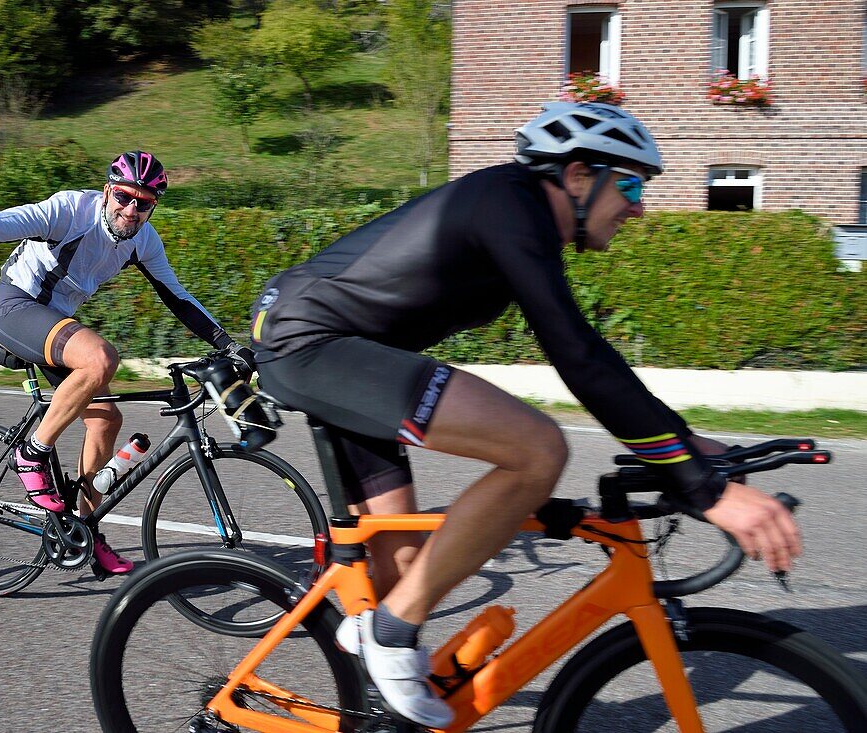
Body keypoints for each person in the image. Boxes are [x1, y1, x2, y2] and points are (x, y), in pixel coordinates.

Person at [248, 102, 800, 727]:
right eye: (632, 184)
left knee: (403, 569)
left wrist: (690, 446)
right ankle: (388, 637)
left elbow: (589, 353)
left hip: (335, 347)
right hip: (314, 345)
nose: (640, 207)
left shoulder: (522, 217)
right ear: (577, 175)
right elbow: (579, 357)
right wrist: (705, 491)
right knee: (537, 451)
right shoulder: (510, 206)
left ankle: (376, 667)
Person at [0, 150, 254, 575]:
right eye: (124, 197)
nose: (131, 209)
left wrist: (227, 344)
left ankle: (83, 529)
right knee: (101, 357)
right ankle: (32, 453)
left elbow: (177, 297)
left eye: (144, 203)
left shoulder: (144, 240)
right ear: (107, 191)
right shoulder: (69, 210)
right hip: (15, 308)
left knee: (105, 420)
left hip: (55, 322)